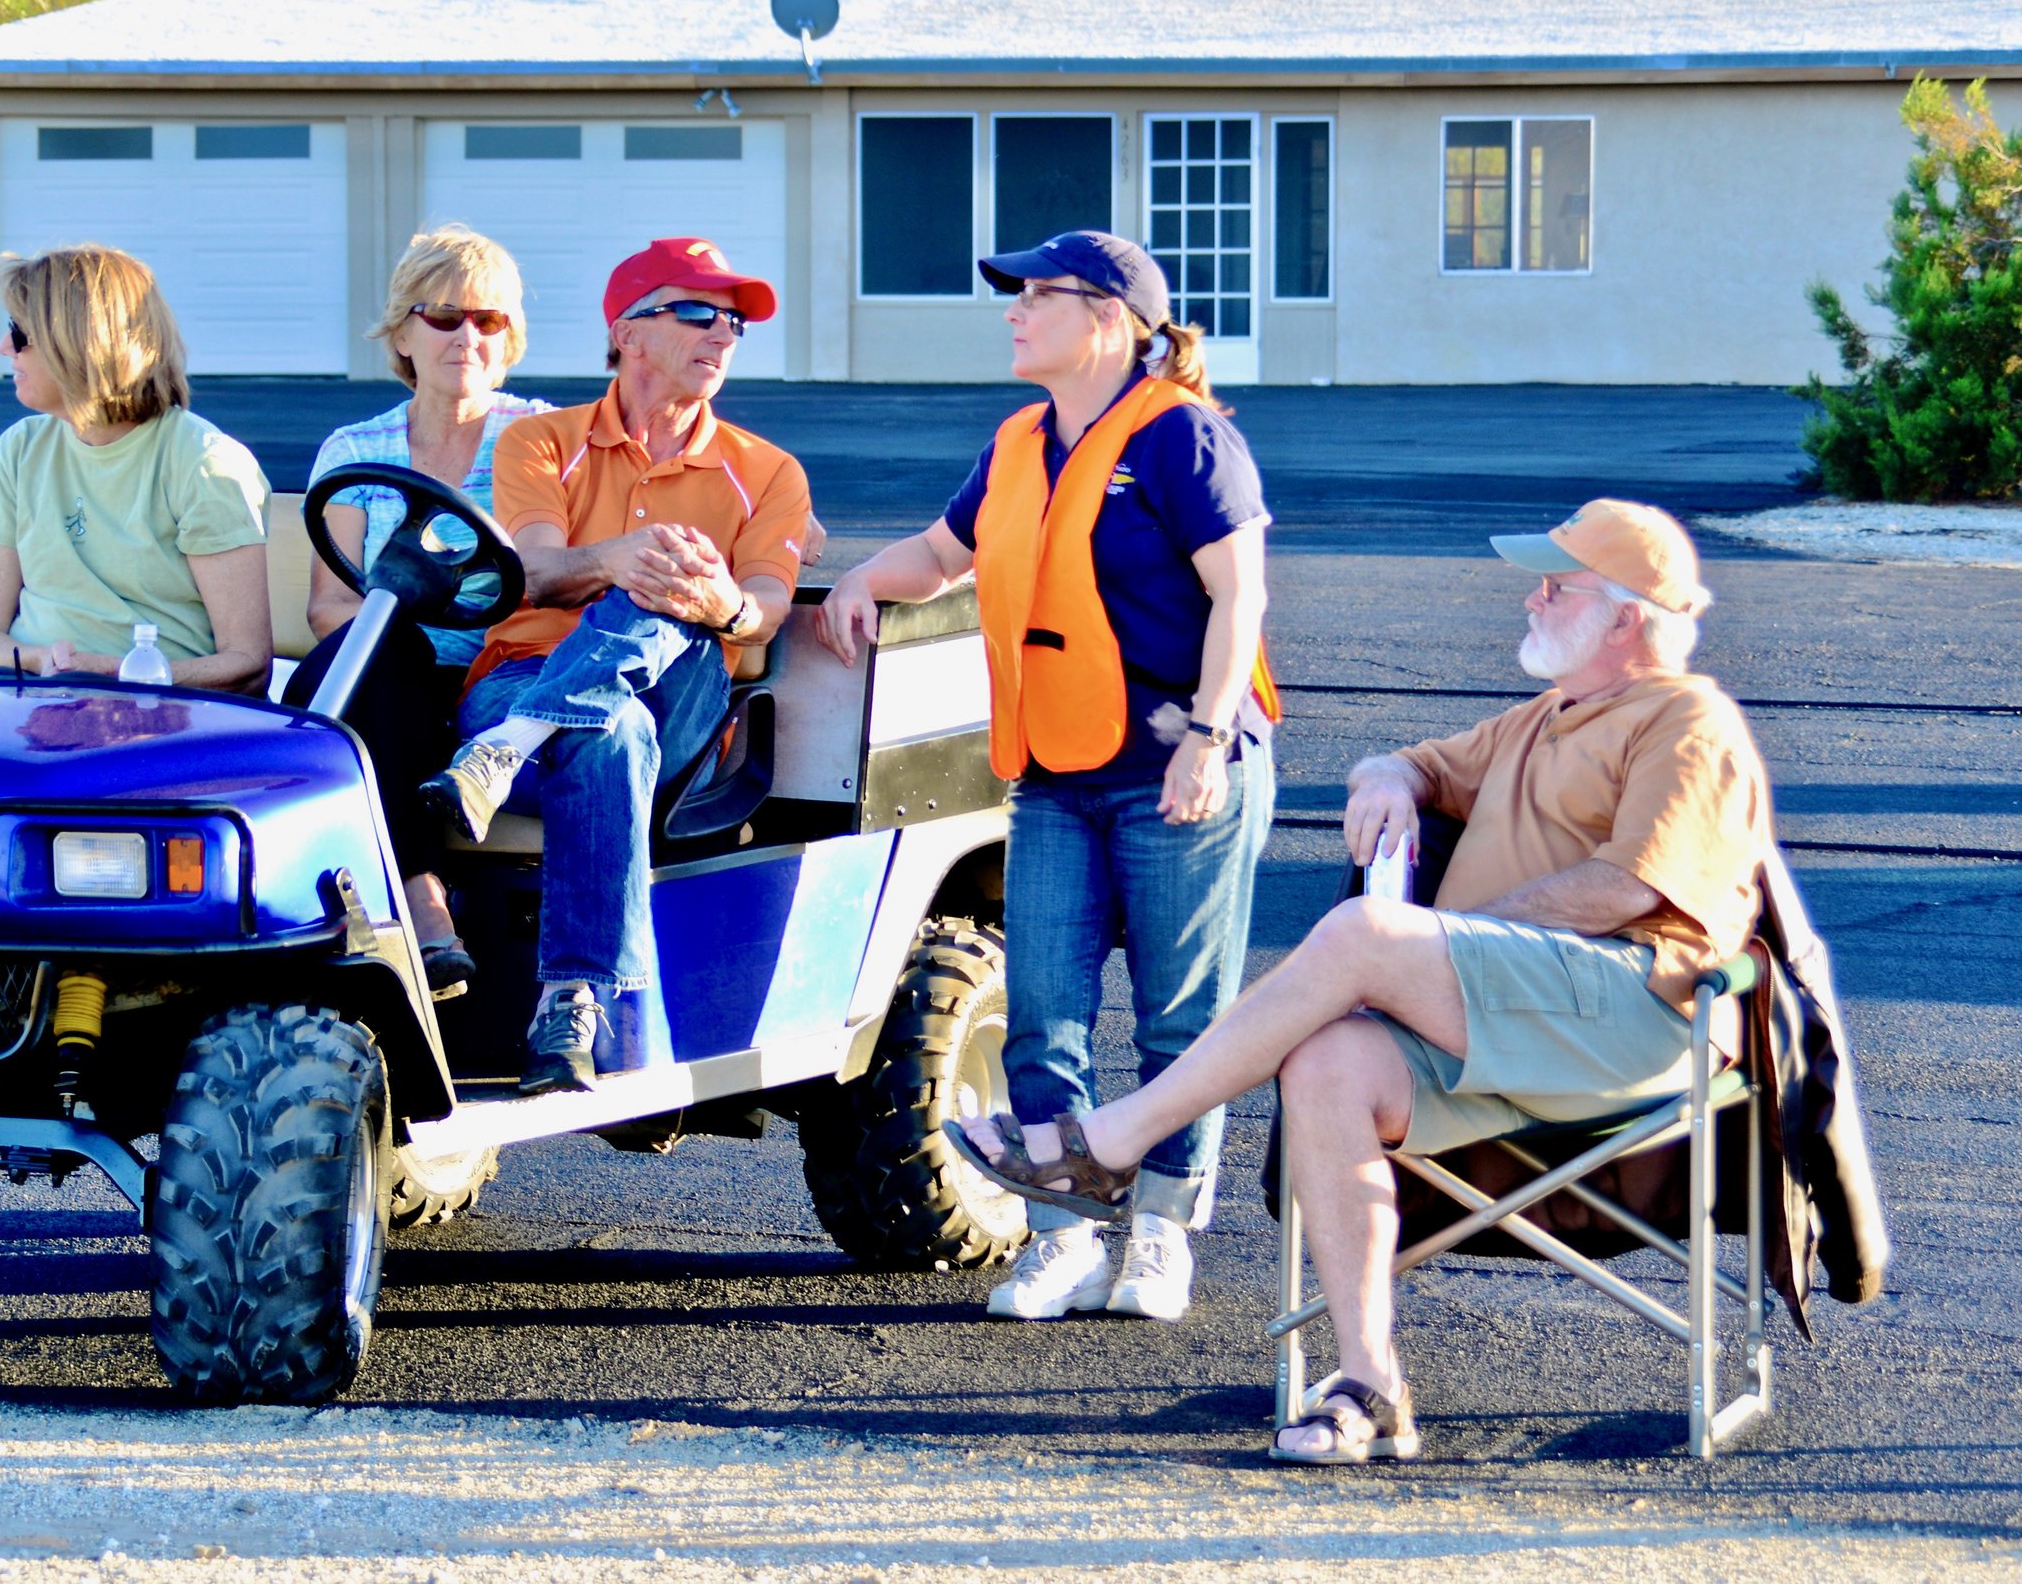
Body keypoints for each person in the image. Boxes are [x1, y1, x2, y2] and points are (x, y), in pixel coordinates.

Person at [956, 499, 1769, 1465]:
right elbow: (1423, 764)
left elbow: (1626, 887)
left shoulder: (1687, 720)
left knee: (1366, 935)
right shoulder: (1550, 716)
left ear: (1625, 619)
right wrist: (1386, 774)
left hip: (1634, 1017)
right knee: (1328, 1063)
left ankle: (1115, 1142)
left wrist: (1436, 939)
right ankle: (1369, 1384)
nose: (1534, 598)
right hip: (1520, 1016)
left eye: (1558, 586)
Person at [819, 230, 1274, 1326]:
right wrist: (857, 581)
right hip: (1059, 771)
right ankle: (1061, 1236)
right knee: (1041, 1019)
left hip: (1180, 762)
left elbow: (1240, 598)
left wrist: (1208, 739)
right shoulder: (1021, 440)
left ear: (1109, 320)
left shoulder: (1182, 440)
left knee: (1178, 1020)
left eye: (1038, 295)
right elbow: (941, 554)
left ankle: (1160, 1233)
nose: (1014, 311)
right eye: (1014, 295)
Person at [418, 237, 813, 1094]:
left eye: (735, 321)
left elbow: (764, 611)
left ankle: (507, 748)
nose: (724, 333)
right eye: (699, 312)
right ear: (629, 331)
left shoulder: (770, 470)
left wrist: (714, 603)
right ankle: (571, 1005)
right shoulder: (537, 440)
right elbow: (532, 571)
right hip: (526, 676)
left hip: (683, 701)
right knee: (611, 729)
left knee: (665, 593)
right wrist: (621, 558)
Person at [299, 226, 554, 997]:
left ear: (510, 338)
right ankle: (420, 900)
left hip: (497, 679)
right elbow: (328, 605)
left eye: (489, 320)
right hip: (386, 669)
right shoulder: (355, 448)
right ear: (403, 330)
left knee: (373, 682)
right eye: (444, 317)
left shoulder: (541, 437)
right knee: (387, 654)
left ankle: (408, 907)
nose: (466, 337)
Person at [0, 245, 270, 695]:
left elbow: (246, 665)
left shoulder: (204, 462)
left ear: (79, 345)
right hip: (29, 703)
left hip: (156, 718)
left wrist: (119, 673)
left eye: (20, 333)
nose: (5, 347)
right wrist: (43, 662)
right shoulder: (20, 448)